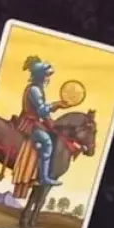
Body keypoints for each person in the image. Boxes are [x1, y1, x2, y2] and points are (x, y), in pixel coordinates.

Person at [16, 56, 70, 186]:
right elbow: (41, 110)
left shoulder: (37, 88)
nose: (48, 78)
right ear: (40, 76)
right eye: (46, 75)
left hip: (35, 121)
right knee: (47, 142)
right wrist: (56, 105)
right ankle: (44, 178)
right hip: (29, 123)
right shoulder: (34, 89)